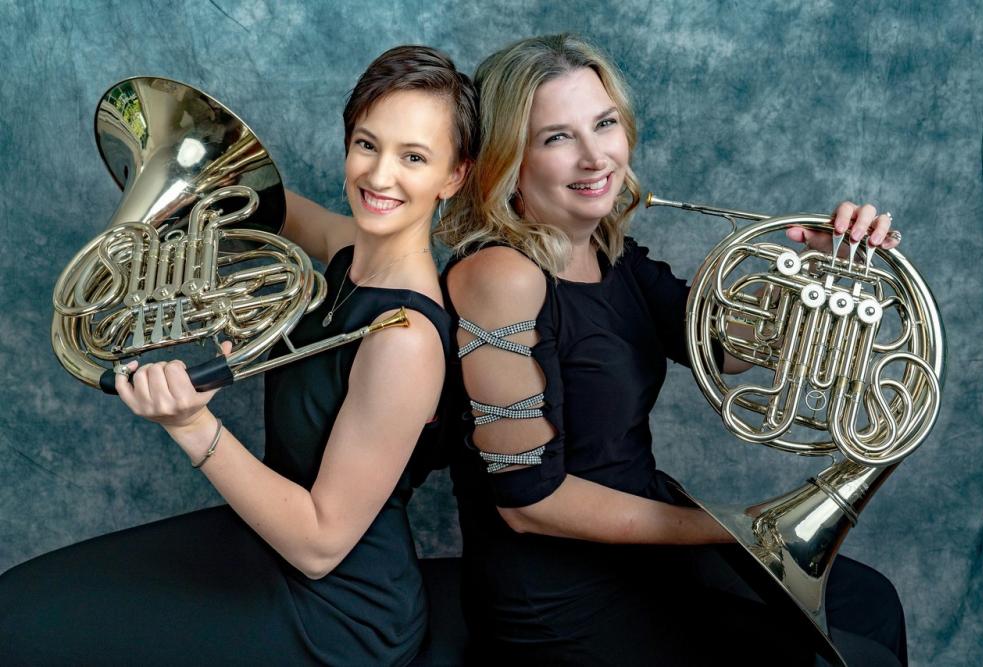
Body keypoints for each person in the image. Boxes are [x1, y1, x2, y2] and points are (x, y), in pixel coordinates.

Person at [436, 33, 907, 666]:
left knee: (871, 603)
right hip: (560, 596)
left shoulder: (608, 252)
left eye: (604, 124)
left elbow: (724, 350)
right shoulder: (499, 276)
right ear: (505, 162)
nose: (595, 156)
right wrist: (742, 533)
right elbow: (529, 504)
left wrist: (820, 273)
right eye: (556, 137)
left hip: (646, 547)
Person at [0, 45, 475, 666]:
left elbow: (321, 543)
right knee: (17, 607)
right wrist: (167, 206)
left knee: (29, 635)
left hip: (338, 610)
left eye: (414, 157)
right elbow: (249, 202)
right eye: (366, 144)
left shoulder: (405, 338)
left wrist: (193, 426)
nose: (379, 176)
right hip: (262, 540)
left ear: (454, 176)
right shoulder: (347, 247)